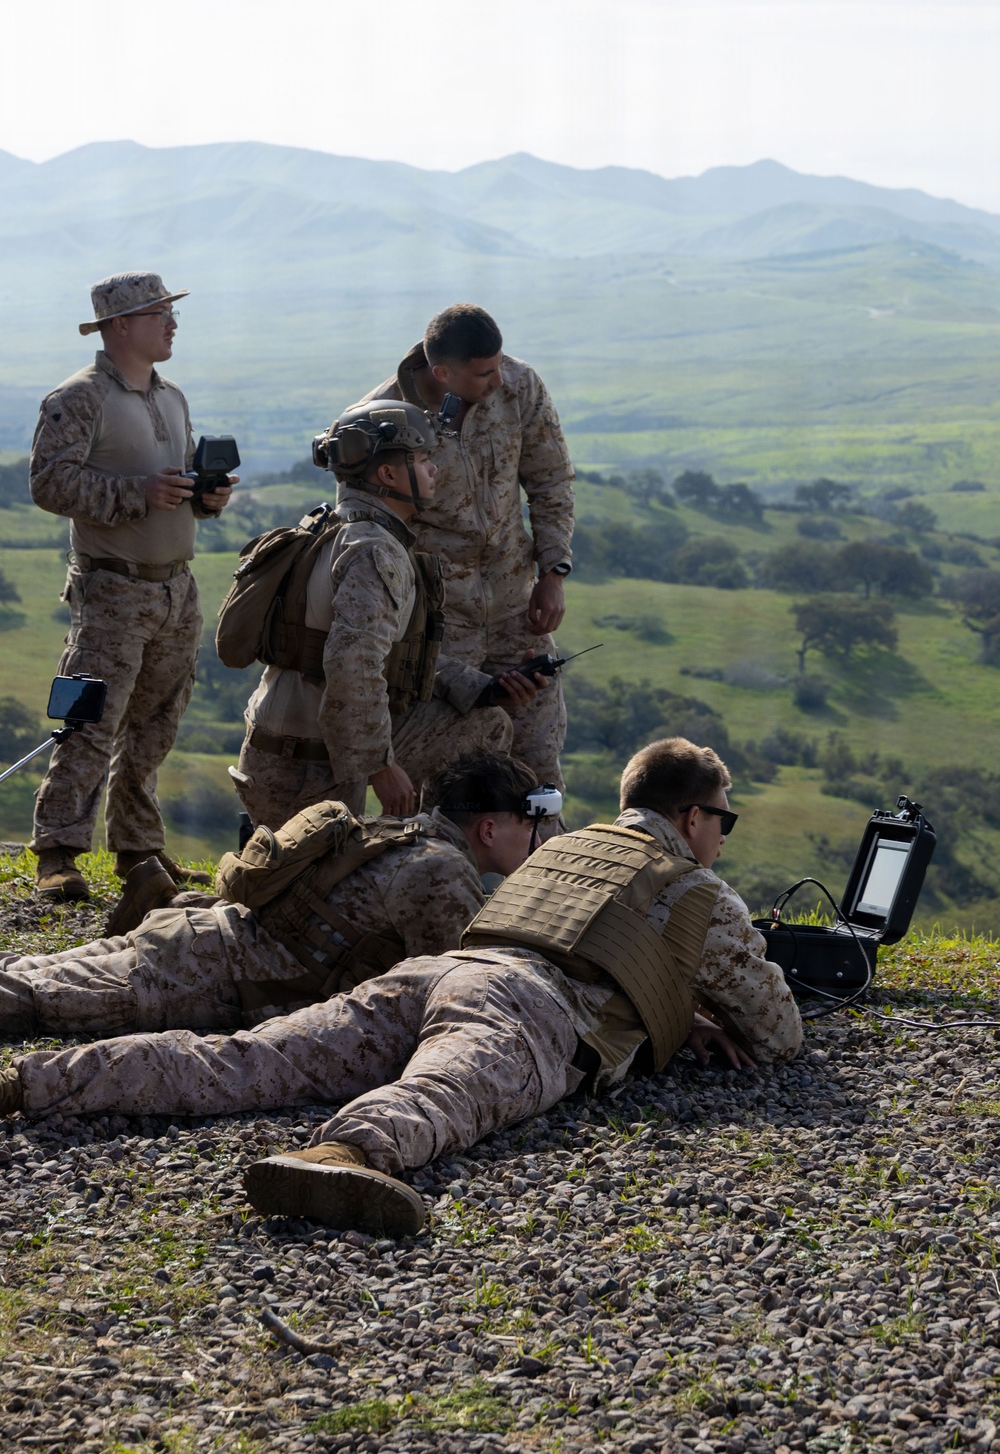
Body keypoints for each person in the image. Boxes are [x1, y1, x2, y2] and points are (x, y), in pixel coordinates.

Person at [0, 738, 801, 1238]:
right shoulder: (700, 894)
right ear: (692, 819)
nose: (722, 838)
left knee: (245, 1060)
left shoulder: (564, 848)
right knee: (446, 1089)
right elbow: (775, 1032)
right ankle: (345, 1154)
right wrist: (697, 1016)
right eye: (722, 823)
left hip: (437, 973)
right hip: (532, 1007)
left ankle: (29, 1082)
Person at [0, 753, 539, 1040]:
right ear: (488, 829)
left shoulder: (405, 835)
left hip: (196, 935)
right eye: (529, 822)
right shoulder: (442, 874)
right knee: (28, 1001)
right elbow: (454, 989)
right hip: (203, 978)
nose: (538, 838)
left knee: (24, 970)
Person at [27, 274, 237, 905]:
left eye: (172, 312)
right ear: (120, 324)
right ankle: (58, 853)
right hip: (112, 591)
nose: (172, 323)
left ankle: (138, 848)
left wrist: (207, 499)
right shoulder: (77, 398)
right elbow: (48, 484)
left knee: (154, 727)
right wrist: (134, 494)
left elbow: (175, 490)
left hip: (177, 589)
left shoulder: (172, 397)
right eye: (159, 313)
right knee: (86, 720)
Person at [229, 400, 527, 838]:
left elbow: (382, 651)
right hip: (304, 767)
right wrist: (379, 766)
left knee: (481, 726)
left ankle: (430, 848)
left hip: (292, 746)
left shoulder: (334, 527)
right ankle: (425, 860)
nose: (434, 471)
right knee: (296, 903)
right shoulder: (374, 552)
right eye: (423, 460)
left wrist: (477, 686)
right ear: (387, 476)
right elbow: (353, 665)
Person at [359, 305, 574, 802]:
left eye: (500, 365)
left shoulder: (521, 386)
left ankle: (543, 877)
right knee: (451, 781)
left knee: (539, 769)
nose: (500, 380)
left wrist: (554, 570)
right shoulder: (380, 421)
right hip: (437, 631)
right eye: (484, 373)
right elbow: (370, 536)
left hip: (516, 612)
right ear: (442, 373)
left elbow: (551, 479)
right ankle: (444, 879)